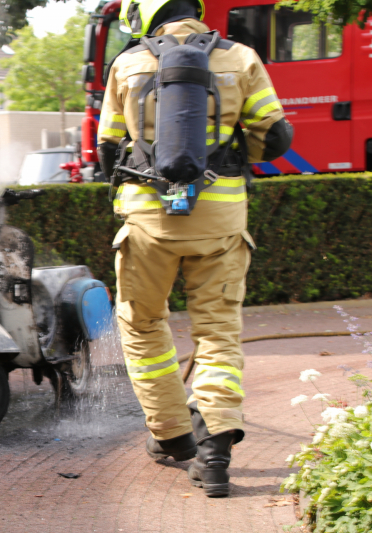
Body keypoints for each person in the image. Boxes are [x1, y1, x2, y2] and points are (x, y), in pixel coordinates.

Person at [97, 0, 293, 497]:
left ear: (147, 14)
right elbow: (276, 137)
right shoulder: (241, 58)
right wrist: (228, 160)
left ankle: (173, 438)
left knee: (141, 324)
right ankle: (215, 452)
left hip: (147, 223)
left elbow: (106, 150)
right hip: (221, 220)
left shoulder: (127, 63)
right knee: (218, 333)